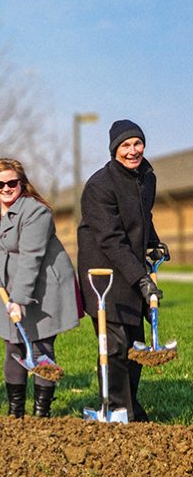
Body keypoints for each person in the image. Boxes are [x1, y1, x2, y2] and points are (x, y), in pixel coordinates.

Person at [77, 119, 167, 422]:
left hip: (130, 267)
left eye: (137, 143)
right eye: (126, 145)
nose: (133, 150)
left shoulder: (146, 177)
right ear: (114, 149)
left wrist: (153, 241)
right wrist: (142, 279)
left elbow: (143, 215)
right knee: (115, 346)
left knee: (135, 344)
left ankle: (128, 405)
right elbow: (111, 238)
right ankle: (118, 409)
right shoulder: (99, 185)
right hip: (102, 272)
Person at [0, 158, 80, 418]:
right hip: (12, 282)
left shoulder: (37, 212)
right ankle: (15, 413)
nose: (6, 188)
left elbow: (30, 258)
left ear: (21, 184)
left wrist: (19, 300)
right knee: (13, 346)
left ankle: (41, 414)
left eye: (12, 182)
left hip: (45, 284)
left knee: (40, 347)